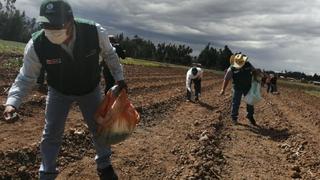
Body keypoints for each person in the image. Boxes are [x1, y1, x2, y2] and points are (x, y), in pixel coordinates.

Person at [2, 0, 127, 179]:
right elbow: (25, 77)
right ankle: (47, 171)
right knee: (51, 131)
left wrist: (119, 78)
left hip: (89, 89)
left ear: (71, 20)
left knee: (99, 127)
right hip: (59, 91)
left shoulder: (93, 32)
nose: (52, 29)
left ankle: (104, 164)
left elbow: (109, 55)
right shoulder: (37, 44)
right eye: (47, 25)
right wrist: (12, 103)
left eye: (57, 25)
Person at [219, 53, 257, 125]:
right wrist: (223, 89)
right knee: (236, 102)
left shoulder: (248, 65)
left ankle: (250, 116)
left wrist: (256, 79)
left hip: (247, 87)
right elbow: (226, 79)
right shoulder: (231, 68)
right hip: (237, 87)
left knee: (250, 102)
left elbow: (254, 71)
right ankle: (234, 118)